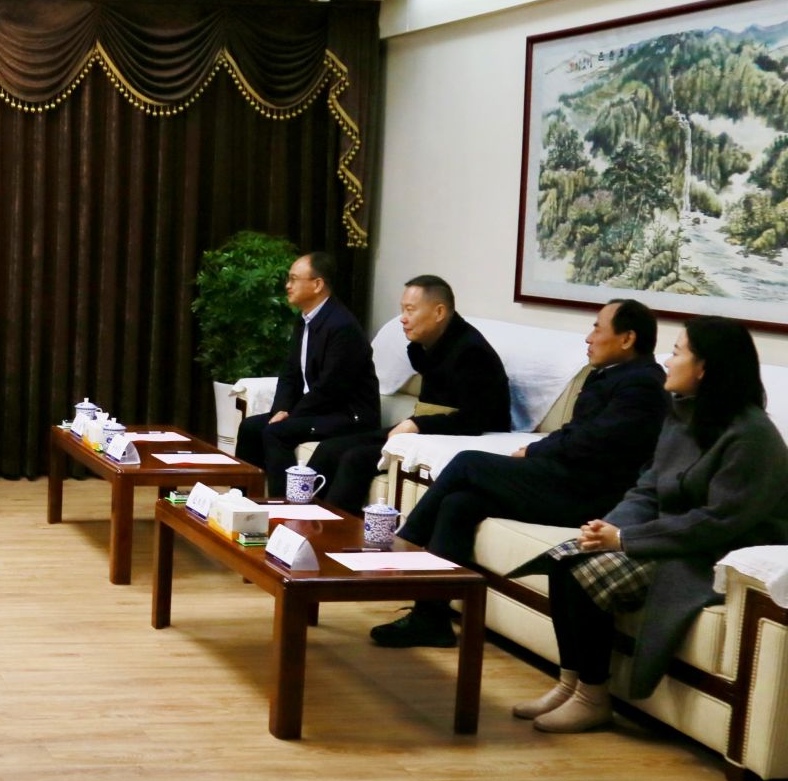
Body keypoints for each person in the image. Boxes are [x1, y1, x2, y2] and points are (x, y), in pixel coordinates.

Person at [523, 318, 788, 733]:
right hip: (669, 535)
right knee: (564, 559)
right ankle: (570, 683)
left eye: (678, 352)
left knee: (581, 576)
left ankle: (592, 698)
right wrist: (607, 529)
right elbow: (648, 487)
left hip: (711, 553)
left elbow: (717, 523)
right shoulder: (683, 412)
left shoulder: (752, 436)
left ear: (704, 367)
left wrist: (625, 539)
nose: (667, 360)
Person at [374, 298, 667, 648]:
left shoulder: (643, 386)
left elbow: (593, 442)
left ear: (627, 338)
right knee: (459, 503)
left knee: (468, 462)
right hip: (565, 477)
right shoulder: (612, 374)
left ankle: (402, 545)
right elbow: (575, 432)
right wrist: (537, 450)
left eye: (597, 329)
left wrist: (534, 450)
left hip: (588, 494)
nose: (589, 338)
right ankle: (430, 619)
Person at [312, 275, 511, 512]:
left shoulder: (472, 352)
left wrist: (415, 424)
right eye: (402, 310)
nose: (403, 318)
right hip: (427, 427)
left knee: (356, 458)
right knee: (330, 448)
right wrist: (416, 424)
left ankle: (333, 528)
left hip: (457, 435)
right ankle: (296, 516)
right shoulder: (429, 342)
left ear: (439, 312)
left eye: (410, 310)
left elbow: (472, 421)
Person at [236, 250, 377, 493]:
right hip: (320, 410)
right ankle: (242, 499)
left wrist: (293, 415)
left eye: (293, 279)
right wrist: (281, 409)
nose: (287, 285)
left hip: (348, 416)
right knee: (250, 427)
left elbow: (331, 388)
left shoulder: (342, 326)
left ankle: (284, 506)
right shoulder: (305, 320)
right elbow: (290, 373)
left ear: (317, 284)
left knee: (276, 433)